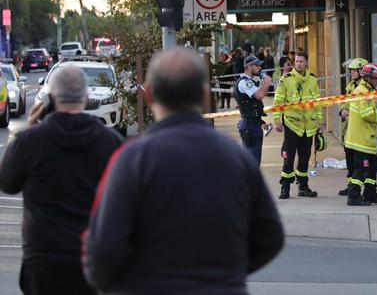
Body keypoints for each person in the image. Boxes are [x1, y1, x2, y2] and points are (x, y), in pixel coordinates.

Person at [82, 47, 284, 294]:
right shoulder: (236, 159)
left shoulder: (130, 161)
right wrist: (225, 273)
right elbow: (270, 237)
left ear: (150, 95)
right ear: (204, 96)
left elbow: (101, 251)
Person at [0, 64, 123, 295]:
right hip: (91, 260)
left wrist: (22, 132)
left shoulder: (31, 141)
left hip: (43, 260)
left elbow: (7, 181)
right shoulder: (110, 142)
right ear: (85, 98)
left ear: (50, 98)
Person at [273, 51, 322, 199]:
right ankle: (285, 187)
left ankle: (303, 186)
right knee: (289, 156)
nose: (298, 63)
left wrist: (319, 121)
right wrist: (277, 121)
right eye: (296, 61)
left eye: (301, 61)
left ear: (307, 63)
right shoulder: (286, 79)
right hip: (292, 124)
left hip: (309, 126)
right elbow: (278, 101)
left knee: (304, 157)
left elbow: (318, 103)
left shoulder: (313, 79)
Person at [344, 62, 377, 206]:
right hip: (360, 140)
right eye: (375, 78)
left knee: (372, 168)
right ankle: (353, 196)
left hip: (367, 139)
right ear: (367, 78)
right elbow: (367, 115)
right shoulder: (362, 92)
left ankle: (370, 193)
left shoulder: (369, 91)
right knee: (360, 169)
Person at [234, 55, 273, 164]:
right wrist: (267, 83)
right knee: (252, 163)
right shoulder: (244, 82)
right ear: (249, 66)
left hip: (253, 125)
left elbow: (253, 104)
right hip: (250, 127)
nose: (260, 68)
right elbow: (259, 95)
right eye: (257, 65)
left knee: (253, 161)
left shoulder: (249, 81)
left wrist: (261, 122)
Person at [337, 58, 368, 196]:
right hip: (348, 127)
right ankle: (351, 184)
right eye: (351, 71)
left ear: (362, 71)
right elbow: (343, 102)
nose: (352, 73)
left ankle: (362, 188)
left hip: (359, 130)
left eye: (354, 70)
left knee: (359, 161)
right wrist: (342, 110)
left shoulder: (365, 88)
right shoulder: (350, 86)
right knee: (349, 159)